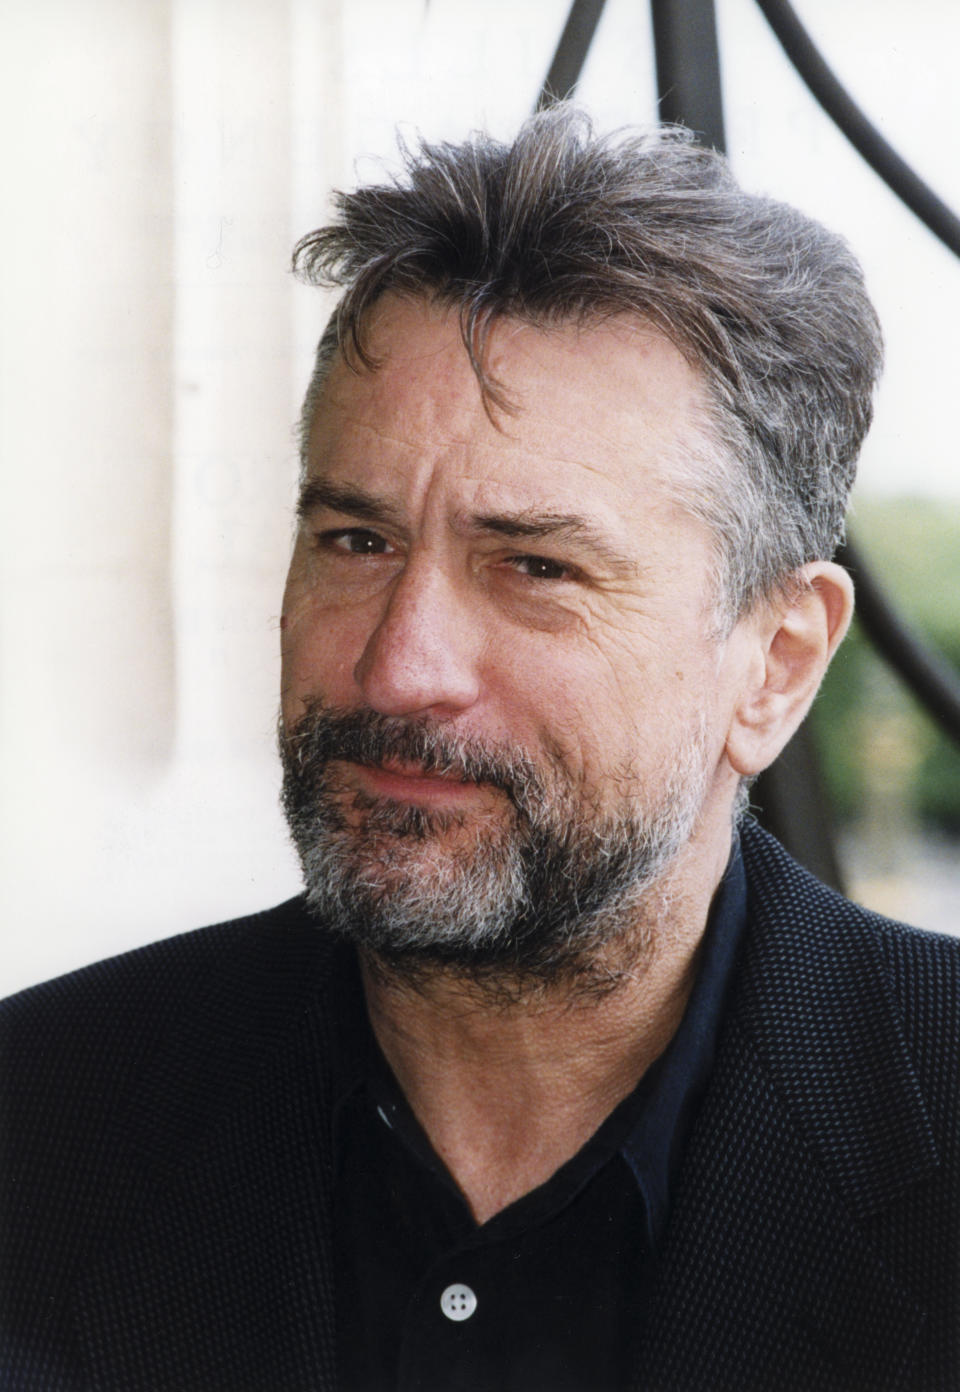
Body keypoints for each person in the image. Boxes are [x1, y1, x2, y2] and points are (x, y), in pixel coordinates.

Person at [2, 106, 957, 1392]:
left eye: (534, 567)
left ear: (775, 664)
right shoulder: (38, 1124)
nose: (401, 666)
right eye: (357, 542)